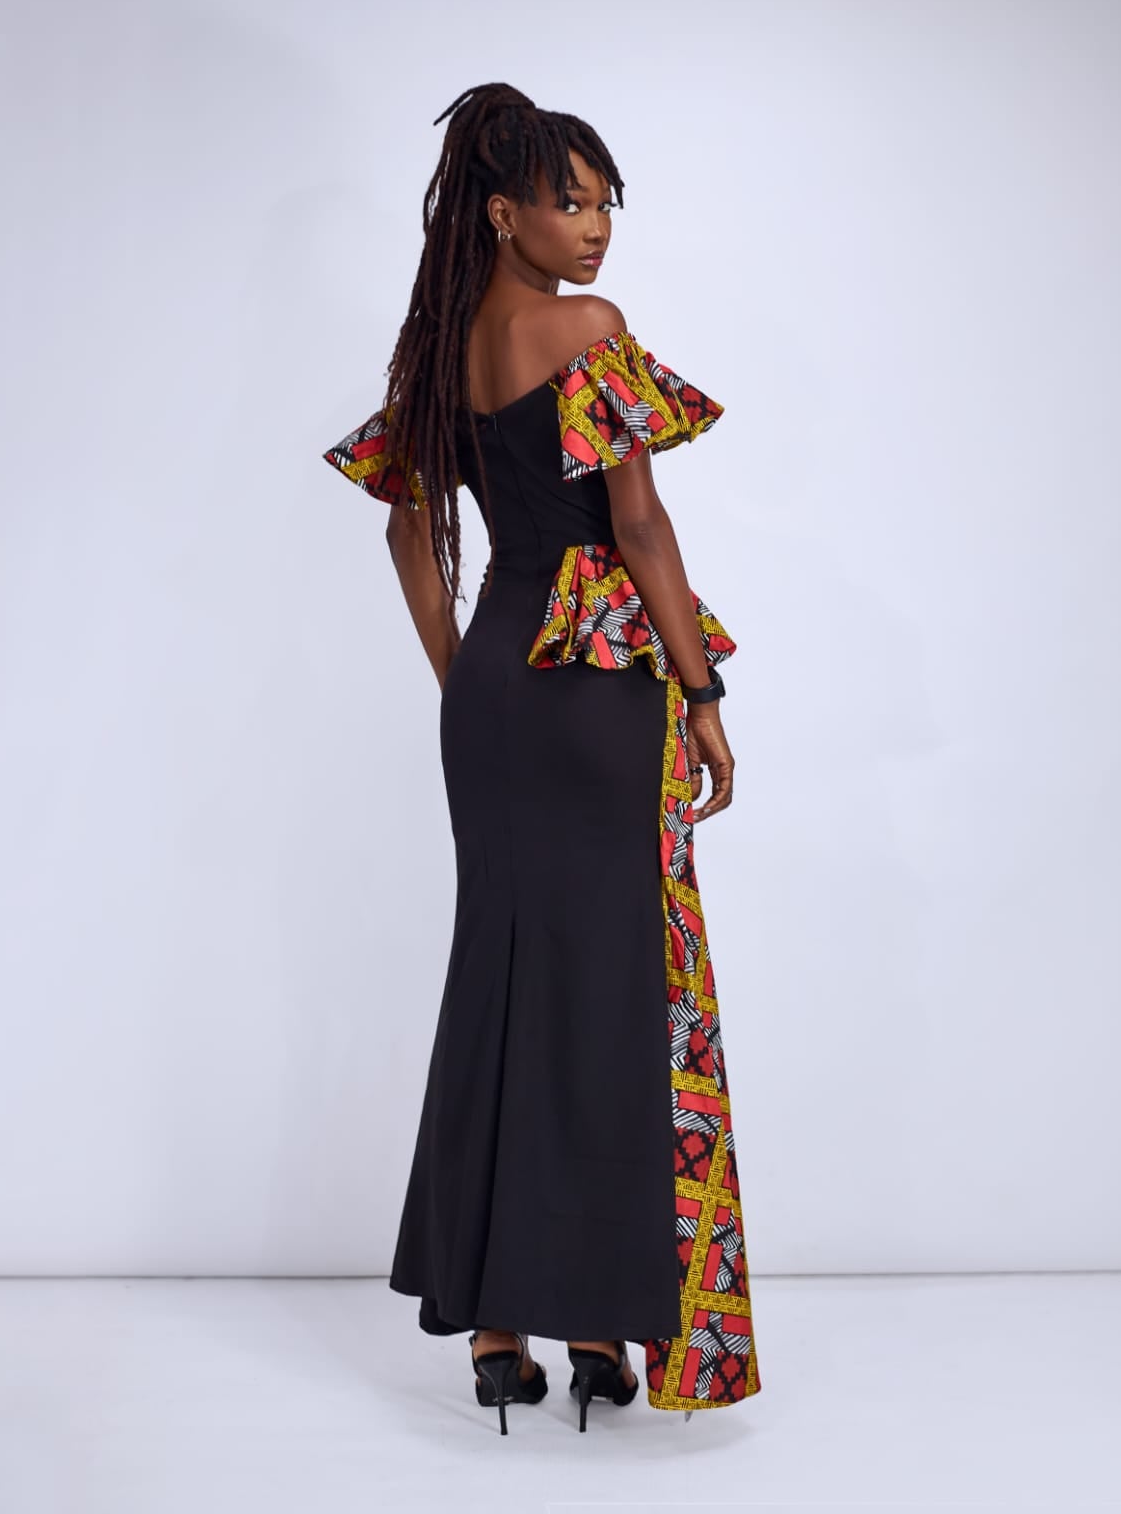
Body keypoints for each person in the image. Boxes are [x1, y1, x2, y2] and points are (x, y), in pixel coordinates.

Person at [322, 82, 760, 1431]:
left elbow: (407, 534)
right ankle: (594, 1323)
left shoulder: (440, 356)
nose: (595, 227)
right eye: (568, 201)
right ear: (502, 212)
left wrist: (468, 677)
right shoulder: (588, 332)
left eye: (604, 202)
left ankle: (494, 1329)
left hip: (500, 690)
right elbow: (640, 527)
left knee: (500, 981)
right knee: (611, 994)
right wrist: (701, 692)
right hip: (595, 692)